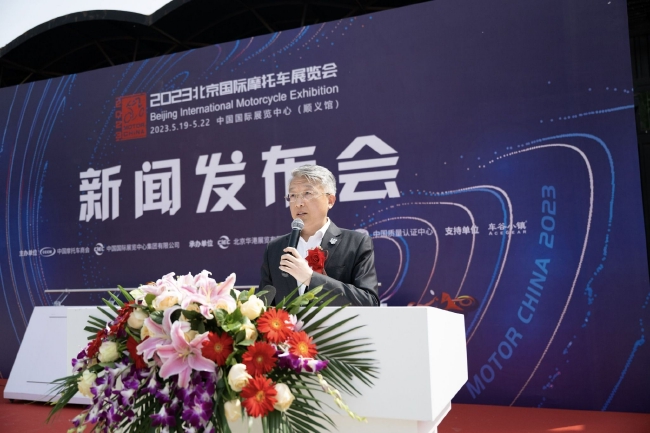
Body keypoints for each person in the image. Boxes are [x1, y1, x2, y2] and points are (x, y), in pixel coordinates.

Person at [259, 164, 379, 306]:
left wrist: (310, 278)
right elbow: (264, 305)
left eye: (307, 193)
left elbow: (369, 301)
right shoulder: (275, 248)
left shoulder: (356, 243)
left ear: (330, 200)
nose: (298, 203)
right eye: (293, 195)